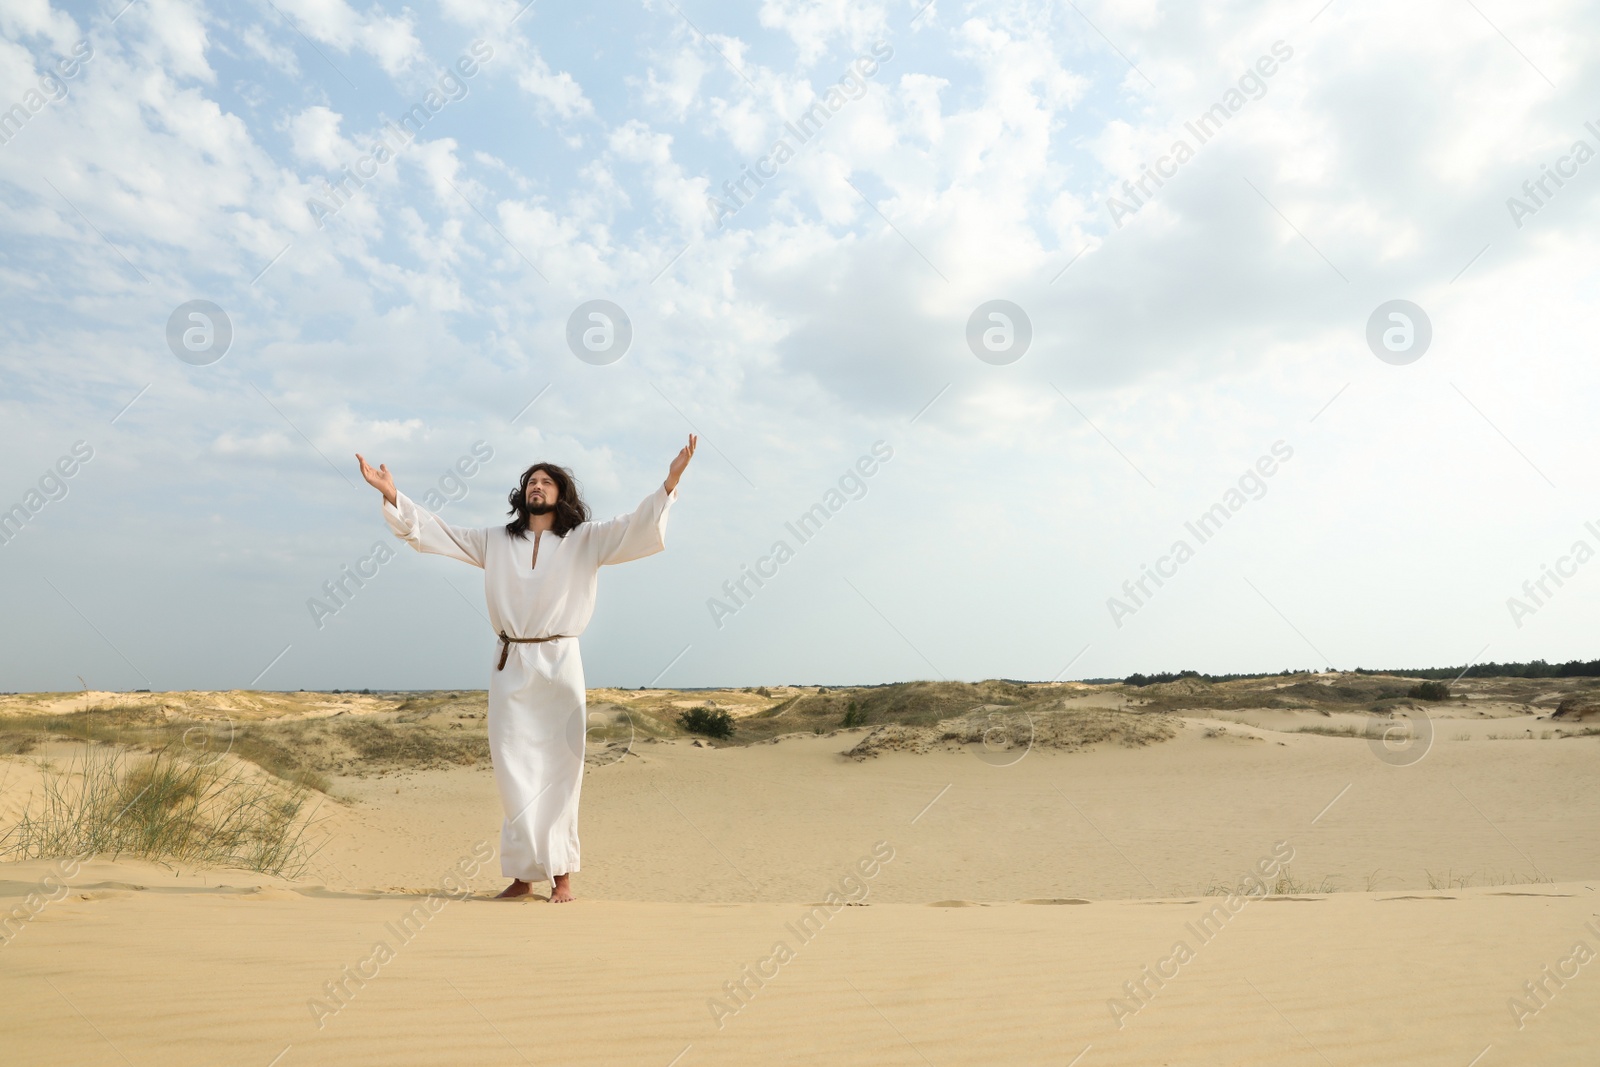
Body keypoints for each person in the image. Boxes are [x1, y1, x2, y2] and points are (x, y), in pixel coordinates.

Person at [355, 436, 696, 902]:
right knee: (514, 770)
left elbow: (637, 526)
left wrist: (670, 482)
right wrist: (393, 495)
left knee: (560, 769)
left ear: (562, 493)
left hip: (560, 663)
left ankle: (562, 876)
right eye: (531, 481)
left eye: (546, 481)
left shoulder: (586, 539)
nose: (537, 486)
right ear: (523, 494)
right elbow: (439, 533)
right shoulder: (495, 541)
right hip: (510, 662)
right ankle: (522, 876)